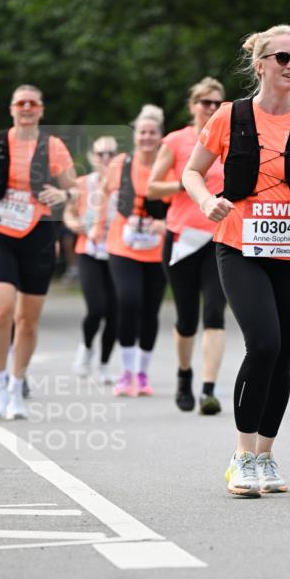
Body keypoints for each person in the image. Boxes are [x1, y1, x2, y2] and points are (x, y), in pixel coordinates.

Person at [183, 24, 290, 497]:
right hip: (239, 246)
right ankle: (241, 454)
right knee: (265, 344)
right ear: (261, 65)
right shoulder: (229, 117)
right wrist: (206, 200)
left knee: (284, 357)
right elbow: (193, 172)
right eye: (282, 58)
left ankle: (266, 456)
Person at [0, 84, 77, 419]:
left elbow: (74, 189)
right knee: (1, 312)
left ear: (41, 110)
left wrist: (62, 196)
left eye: (33, 103)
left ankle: (16, 385)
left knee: (27, 321)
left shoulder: (52, 146)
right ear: (11, 109)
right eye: (20, 103)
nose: (26, 108)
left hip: (37, 235)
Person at [147, 77, 227, 415]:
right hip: (182, 238)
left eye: (216, 103)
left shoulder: (230, 139)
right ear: (192, 105)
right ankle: (184, 376)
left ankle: (208, 389)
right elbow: (151, 188)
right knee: (186, 317)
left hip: (221, 237)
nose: (210, 108)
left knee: (215, 314)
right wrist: (185, 183)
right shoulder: (176, 141)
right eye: (204, 102)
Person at [92, 105, 170, 398]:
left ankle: (142, 372)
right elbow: (104, 196)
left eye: (152, 133)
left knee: (150, 309)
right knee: (128, 301)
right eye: (142, 132)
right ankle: (125, 372)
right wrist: (97, 227)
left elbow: (178, 199)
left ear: (160, 136)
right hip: (121, 244)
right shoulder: (120, 164)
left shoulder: (169, 165)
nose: (147, 137)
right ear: (135, 135)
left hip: (157, 247)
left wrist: (165, 223)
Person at [64, 135, 119, 382]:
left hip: (118, 252)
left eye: (111, 153)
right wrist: (73, 222)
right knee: (96, 308)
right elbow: (68, 211)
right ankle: (86, 349)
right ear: (92, 158)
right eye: (100, 154)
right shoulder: (83, 183)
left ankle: (105, 363)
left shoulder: (124, 182)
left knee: (115, 312)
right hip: (89, 250)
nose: (105, 158)